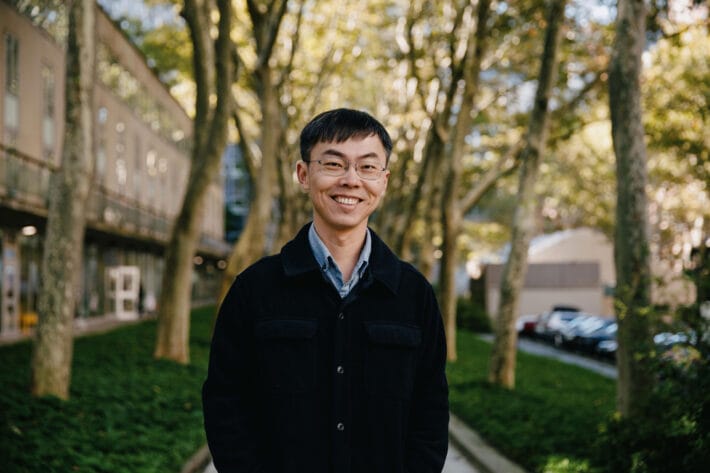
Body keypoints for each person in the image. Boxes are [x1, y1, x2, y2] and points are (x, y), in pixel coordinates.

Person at [202, 108, 449, 473]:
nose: (351, 181)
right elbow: (226, 405)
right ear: (304, 174)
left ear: (384, 181)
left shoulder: (413, 294)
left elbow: (430, 413)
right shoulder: (255, 289)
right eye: (334, 164)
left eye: (367, 167)